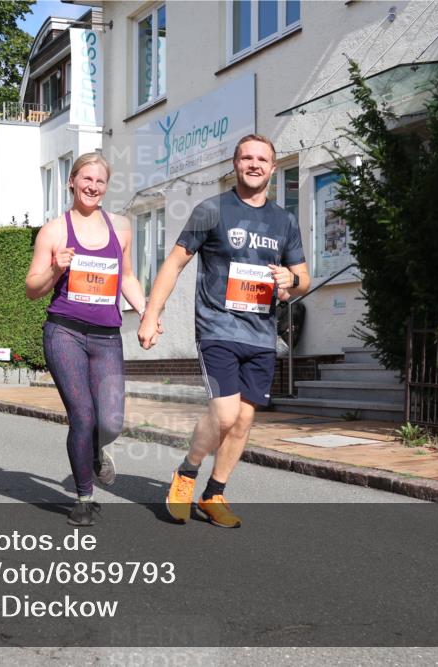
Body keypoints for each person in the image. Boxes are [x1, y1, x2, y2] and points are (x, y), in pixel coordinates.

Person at [138, 134, 310, 528]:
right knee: (225, 412)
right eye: (246, 157)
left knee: (244, 421)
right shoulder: (211, 210)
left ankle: (214, 494)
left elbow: (302, 279)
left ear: (271, 166)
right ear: (235, 164)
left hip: (262, 334)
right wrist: (151, 313)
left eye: (262, 159)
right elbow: (174, 265)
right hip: (217, 328)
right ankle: (186, 473)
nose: (254, 164)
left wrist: (290, 280)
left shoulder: (284, 221)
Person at [25, 152, 157, 527]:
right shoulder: (54, 231)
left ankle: (97, 449)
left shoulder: (121, 228)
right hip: (64, 331)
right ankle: (84, 497)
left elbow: (128, 278)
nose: (93, 187)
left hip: (106, 336)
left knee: (111, 421)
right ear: (72, 181)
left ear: (106, 187)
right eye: (86, 179)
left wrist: (148, 312)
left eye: (100, 181)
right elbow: (32, 289)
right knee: (82, 415)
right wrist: (56, 267)